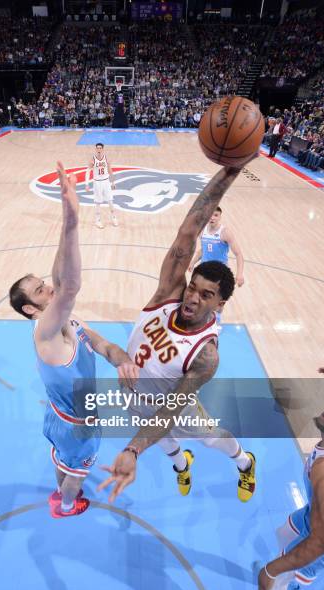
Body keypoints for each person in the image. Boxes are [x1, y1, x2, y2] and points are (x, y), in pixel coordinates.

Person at [98, 165, 256, 503]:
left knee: (210, 437)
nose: (192, 298)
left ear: (220, 304)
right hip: (133, 392)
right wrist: (229, 171)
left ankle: (244, 461)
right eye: (193, 288)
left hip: (171, 404)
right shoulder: (168, 294)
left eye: (206, 295)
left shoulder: (206, 355)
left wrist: (133, 450)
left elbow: (170, 408)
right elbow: (187, 234)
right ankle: (182, 464)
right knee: (165, 441)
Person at [9, 162, 138, 518]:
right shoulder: (46, 333)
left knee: (63, 462)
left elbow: (103, 345)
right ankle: (66, 504)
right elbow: (70, 287)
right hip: (78, 426)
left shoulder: (69, 321)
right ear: (32, 310)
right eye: (40, 291)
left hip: (60, 415)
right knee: (75, 477)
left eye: (43, 284)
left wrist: (122, 359)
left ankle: (60, 490)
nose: (48, 288)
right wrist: (72, 221)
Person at [258, 382, 324, 590]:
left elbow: (319, 541)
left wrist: (271, 569)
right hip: (312, 513)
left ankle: (293, 585)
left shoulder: (322, 471)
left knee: (274, 579)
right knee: (283, 533)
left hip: (320, 536)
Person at [189, 205, 245, 327]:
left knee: (218, 299)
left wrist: (240, 274)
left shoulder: (225, 232)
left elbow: (239, 254)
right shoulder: (202, 230)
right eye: (211, 214)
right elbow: (203, 250)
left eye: (216, 215)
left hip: (220, 272)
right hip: (204, 270)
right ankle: (199, 319)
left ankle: (217, 322)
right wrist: (193, 262)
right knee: (200, 295)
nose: (212, 218)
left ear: (220, 217)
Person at [85, 142, 118, 229]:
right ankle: (98, 220)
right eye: (97, 148)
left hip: (106, 181)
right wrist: (87, 184)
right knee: (98, 202)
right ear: (95, 149)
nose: (99, 150)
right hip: (97, 182)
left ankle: (114, 218)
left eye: (100, 148)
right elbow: (88, 171)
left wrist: (113, 182)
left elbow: (110, 170)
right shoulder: (93, 160)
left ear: (103, 149)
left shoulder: (106, 158)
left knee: (110, 201)